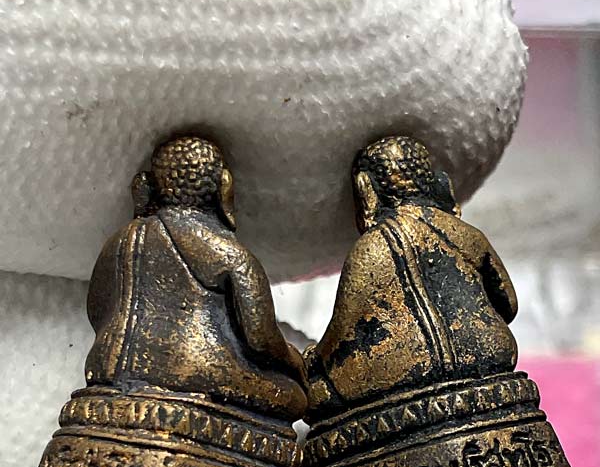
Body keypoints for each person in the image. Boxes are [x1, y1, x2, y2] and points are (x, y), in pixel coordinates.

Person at [85, 135, 307, 421]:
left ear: (152, 185)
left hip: (107, 369)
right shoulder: (228, 254)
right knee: (293, 398)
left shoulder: (122, 240)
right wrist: (294, 360)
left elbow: (98, 310)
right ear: (224, 187)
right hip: (196, 373)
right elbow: (261, 341)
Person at [304, 135, 518, 420]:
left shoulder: (372, 247)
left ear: (366, 188)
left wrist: (314, 358)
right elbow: (508, 305)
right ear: (434, 183)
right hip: (489, 358)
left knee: (313, 396)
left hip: (403, 376)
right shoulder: (468, 235)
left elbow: (344, 333)